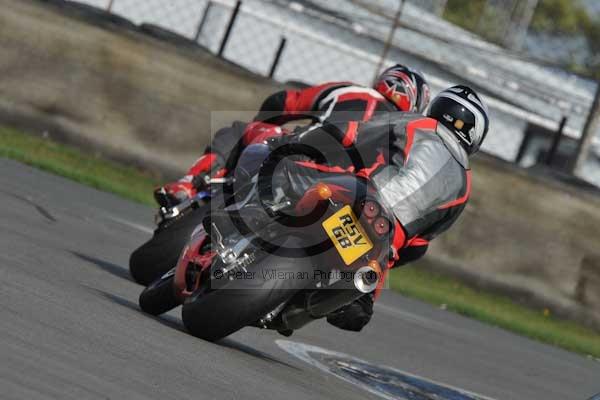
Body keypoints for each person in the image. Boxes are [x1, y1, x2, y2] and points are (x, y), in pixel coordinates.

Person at [262, 85, 490, 332]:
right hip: (384, 240)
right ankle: (345, 299)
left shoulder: (416, 123)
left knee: (286, 169)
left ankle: (266, 216)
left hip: (358, 196)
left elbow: (352, 132)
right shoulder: (465, 186)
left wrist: (298, 142)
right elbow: (418, 246)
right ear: (475, 134)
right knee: (363, 294)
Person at [153, 64, 430, 207]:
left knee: (241, 130)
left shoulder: (351, 92)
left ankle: (188, 185)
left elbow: (284, 101)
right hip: (346, 193)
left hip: (297, 155)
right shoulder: (410, 134)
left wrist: (262, 123)